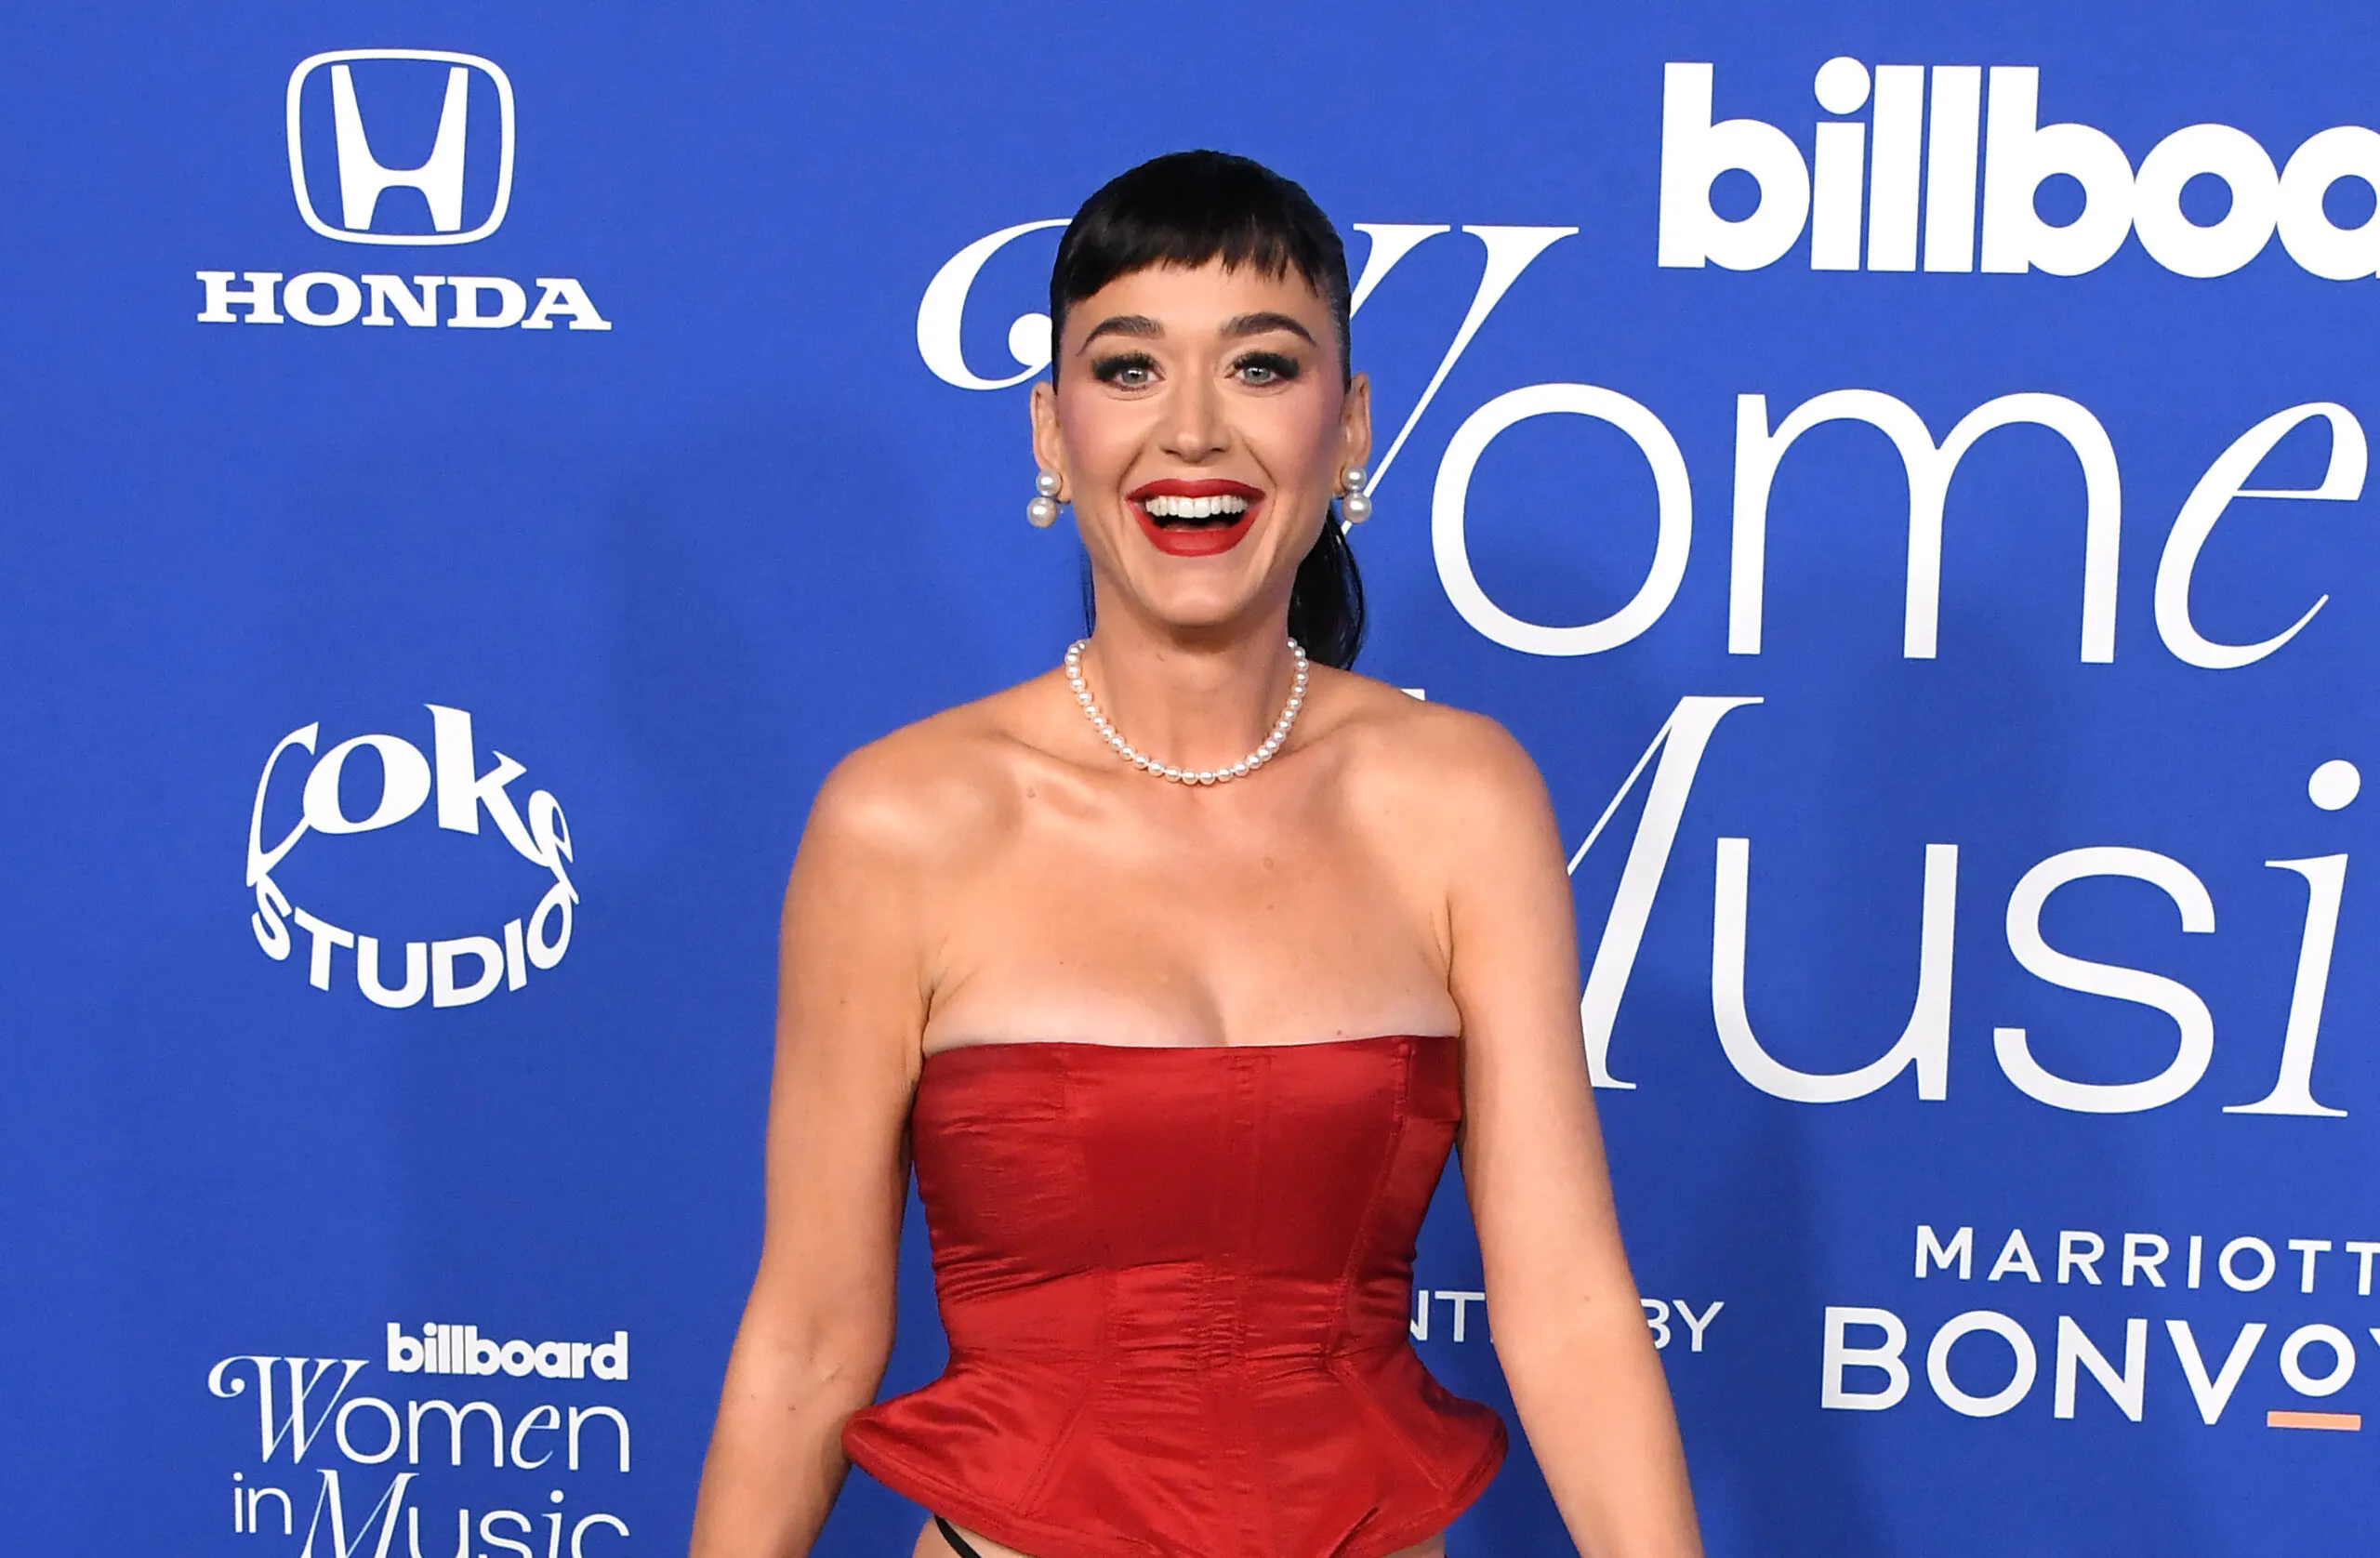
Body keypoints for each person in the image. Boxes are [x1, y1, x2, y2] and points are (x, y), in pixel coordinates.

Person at [688, 150, 1702, 1558]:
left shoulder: (1462, 800)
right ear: (1051, 432)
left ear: (1350, 426)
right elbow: (809, 1338)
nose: (1193, 432)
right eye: (1128, 370)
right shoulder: (901, 821)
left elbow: (1571, 1310)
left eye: (1261, 367)